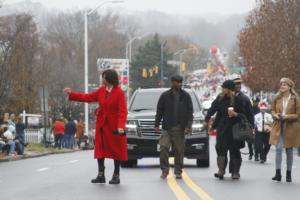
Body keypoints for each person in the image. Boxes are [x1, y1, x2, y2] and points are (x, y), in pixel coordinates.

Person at [64, 69, 127, 185]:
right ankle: (101, 174)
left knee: (116, 149)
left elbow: (122, 111)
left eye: (103, 77)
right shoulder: (101, 91)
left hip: (114, 127)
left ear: (109, 79)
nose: (102, 79)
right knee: (100, 149)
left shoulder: (119, 92)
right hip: (102, 125)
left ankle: (116, 174)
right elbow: (87, 97)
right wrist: (71, 94)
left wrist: (121, 126)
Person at [155, 75, 193, 179]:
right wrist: (157, 124)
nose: (180, 84)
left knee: (179, 150)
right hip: (167, 127)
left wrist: (188, 125)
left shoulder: (186, 96)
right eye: (177, 82)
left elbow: (190, 111)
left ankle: (178, 171)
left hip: (179, 128)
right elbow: (159, 111)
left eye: (181, 82)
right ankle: (164, 170)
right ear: (172, 83)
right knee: (163, 148)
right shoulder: (165, 95)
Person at [204, 80, 245, 180]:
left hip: (235, 129)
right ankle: (221, 170)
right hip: (222, 129)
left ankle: (235, 172)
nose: (223, 90)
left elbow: (244, 115)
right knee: (221, 149)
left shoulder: (237, 100)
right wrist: (207, 120)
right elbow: (212, 110)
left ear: (229, 89)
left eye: (224, 88)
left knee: (234, 151)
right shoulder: (220, 98)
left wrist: (236, 114)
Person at [270, 78, 300, 182]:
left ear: (289, 87)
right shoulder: (276, 98)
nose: (282, 86)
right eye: (281, 84)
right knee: (278, 149)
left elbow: (298, 114)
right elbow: (272, 110)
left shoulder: (295, 98)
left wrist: (287, 116)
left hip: (291, 127)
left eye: (285, 84)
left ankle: (288, 174)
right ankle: (278, 173)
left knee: (289, 150)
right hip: (279, 126)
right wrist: (275, 115)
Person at [233, 78, 255, 160]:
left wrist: (252, 126)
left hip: (242, 123)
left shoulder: (245, 98)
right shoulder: (230, 97)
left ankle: (251, 152)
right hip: (232, 124)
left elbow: (250, 113)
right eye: (236, 84)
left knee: (247, 139)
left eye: (239, 84)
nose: (238, 86)